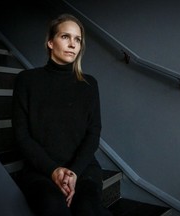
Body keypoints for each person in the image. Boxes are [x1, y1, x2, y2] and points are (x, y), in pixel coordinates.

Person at [12, 13, 112, 216]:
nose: (73, 44)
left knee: (89, 210)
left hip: (82, 169)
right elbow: (21, 135)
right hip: (41, 170)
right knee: (54, 209)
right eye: (65, 37)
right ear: (50, 42)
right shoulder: (27, 80)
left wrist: (74, 172)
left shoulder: (89, 84)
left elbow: (93, 133)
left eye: (78, 39)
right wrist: (53, 170)